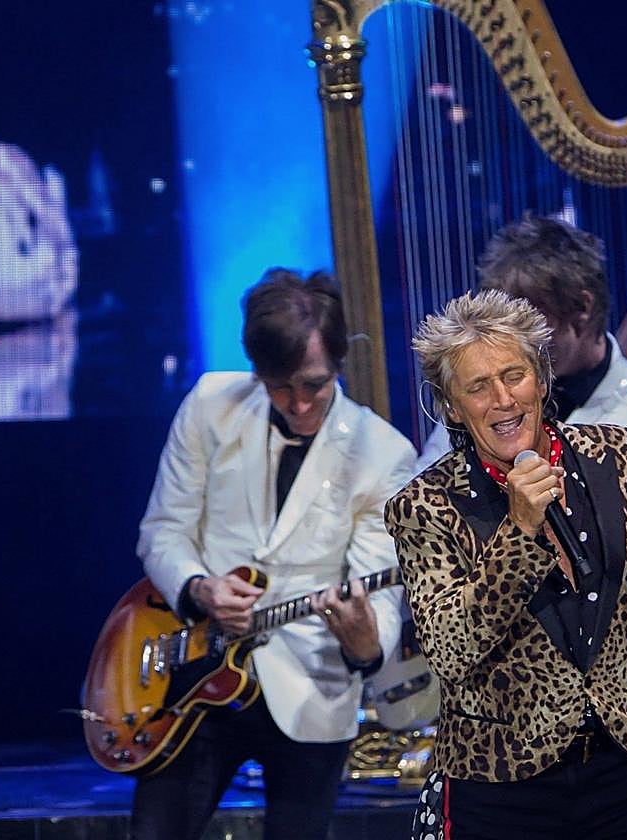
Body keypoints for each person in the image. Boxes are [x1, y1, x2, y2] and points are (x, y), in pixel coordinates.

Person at [386, 289, 627, 840]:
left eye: (513, 376)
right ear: (451, 407)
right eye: (477, 387)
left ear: (541, 377)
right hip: (501, 786)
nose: (502, 400)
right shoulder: (424, 507)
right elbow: (450, 651)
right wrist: (519, 531)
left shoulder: (626, 458)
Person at [130, 269, 417, 840]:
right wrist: (200, 588)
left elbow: (379, 613)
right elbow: (162, 531)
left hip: (311, 688)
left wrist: (363, 639)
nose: (299, 404)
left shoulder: (384, 454)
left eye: (314, 384)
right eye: (279, 386)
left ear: (339, 361)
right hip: (197, 672)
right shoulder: (210, 404)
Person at [417, 215, 627, 519]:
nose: (513, 339)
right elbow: (424, 500)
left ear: (582, 307)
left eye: (530, 320)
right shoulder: (481, 393)